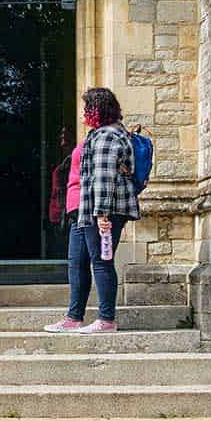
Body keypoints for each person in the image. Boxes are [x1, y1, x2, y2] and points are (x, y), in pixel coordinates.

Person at [44, 88, 140, 335]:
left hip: (100, 210)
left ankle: (106, 319)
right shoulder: (96, 134)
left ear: (99, 109)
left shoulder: (108, 136)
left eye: (88, 108)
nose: (84, 114)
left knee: (101, 262)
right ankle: (74, 317)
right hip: (84, 210)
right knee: (76, 262)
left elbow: (104, 178)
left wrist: (102, 215)